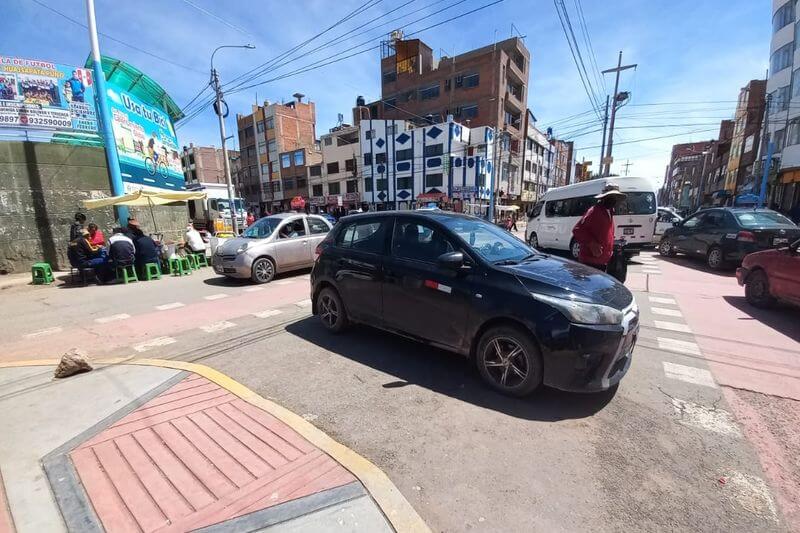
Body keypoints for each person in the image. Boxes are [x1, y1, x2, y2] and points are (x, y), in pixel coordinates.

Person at [571, 184, 627, 272]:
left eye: (615, 198)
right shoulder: (594, 211)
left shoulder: (609, 212)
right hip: (590, 262)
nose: (613, 200)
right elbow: (578, 230)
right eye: (611, 197)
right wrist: (591, 243)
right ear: (604, 198)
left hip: (603, 262)